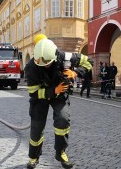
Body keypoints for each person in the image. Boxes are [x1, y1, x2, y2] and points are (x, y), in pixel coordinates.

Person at [25, 36, 92, 169]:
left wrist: (75, 73)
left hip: (60, 96)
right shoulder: (31, 67)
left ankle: (60, 152)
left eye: (48, 63)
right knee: (36, 129)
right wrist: (53, 90)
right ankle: (33, 157)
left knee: (63, 120)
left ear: (55, 56)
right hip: (41, 98)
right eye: (42, 64)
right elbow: (34, 92)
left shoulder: (65, 57)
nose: (46, 66)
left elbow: (89, 62)